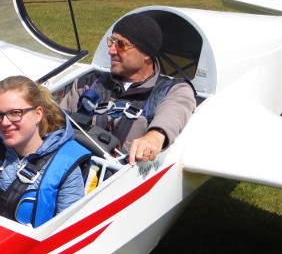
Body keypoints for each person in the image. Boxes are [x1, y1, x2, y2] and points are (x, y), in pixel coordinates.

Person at [0, 76, 90, 227]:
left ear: (37, 114)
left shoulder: (66, 168)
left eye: (15, 113)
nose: (5, 123)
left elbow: (69, 230)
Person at [59, 13, 196, 164]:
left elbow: (174, 112)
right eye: (111, 42)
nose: (111, 51)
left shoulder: (174, 90)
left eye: (121, 45)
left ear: (146, 54)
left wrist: (155, 136)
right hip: (74, 170)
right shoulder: (87, 83)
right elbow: (55, 124)